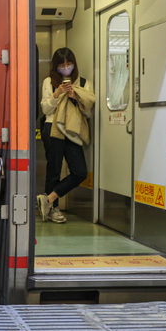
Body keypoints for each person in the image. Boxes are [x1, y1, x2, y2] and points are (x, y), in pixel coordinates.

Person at [37, 47, 95, 224]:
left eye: (68, 64)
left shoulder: (84, 84)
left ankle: (48, 199)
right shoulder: (49, 81)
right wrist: (58, 93)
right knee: (53, 169)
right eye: (61, 65)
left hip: (72, 129)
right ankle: (52, 210)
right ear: (55, 66)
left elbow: (88, 114)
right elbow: (45, 109)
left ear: (74, 64)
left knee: (79, 172)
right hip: (52, 127)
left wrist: (76, 97)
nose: (65, 67)